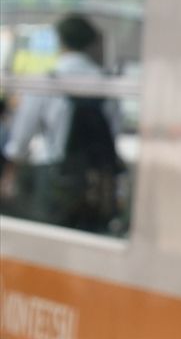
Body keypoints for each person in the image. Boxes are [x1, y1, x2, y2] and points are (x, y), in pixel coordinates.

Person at [0, 14, 123, 231]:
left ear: (60, 40)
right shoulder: (106, 83)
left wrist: (11, 170)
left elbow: (23, 134)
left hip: (53, 175)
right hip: (96, 181)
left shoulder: (48, 80)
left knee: (51, 237)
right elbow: (114, 131)